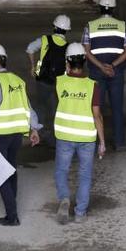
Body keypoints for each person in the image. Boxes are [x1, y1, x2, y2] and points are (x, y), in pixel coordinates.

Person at [0, 43, 41, 226]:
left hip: (0, 134)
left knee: (1, 175)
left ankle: (12, 216)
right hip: (16, 136)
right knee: (11, 170)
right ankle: (12, 206)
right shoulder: (17, 80)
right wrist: (34, 128)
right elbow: (27, 107)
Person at [54, 43, 105, 224]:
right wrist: (102, 142)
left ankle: (65, 198)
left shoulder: (59, 82)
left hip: (64, 136)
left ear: (67, 61)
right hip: (86, 138)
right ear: (84, 61)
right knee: (84, 175)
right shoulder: (93, 86)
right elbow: (97, 115)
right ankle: (80, 213)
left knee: (61, 171)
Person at [82, 0, 126, 150]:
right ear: (113, 9)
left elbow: (86, 51)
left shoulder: (90, 26)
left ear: (100, 7)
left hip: (97, 73)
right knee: (117, 108)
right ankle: (119, 143)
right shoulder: (123, 25)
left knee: (96, 108)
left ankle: (96, 141)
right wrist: (113, 66)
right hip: (116, 73)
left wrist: (101, 66)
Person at [25, 14, 70, 142]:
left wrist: (33, 67)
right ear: (66, 30)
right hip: (58, 83)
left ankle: (37, 133)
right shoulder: (68, 46)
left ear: (54, 27)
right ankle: (54, 137)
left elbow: (29, 49)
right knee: (56, 109)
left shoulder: (44, 39)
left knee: (40, 106)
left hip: (42, 80)